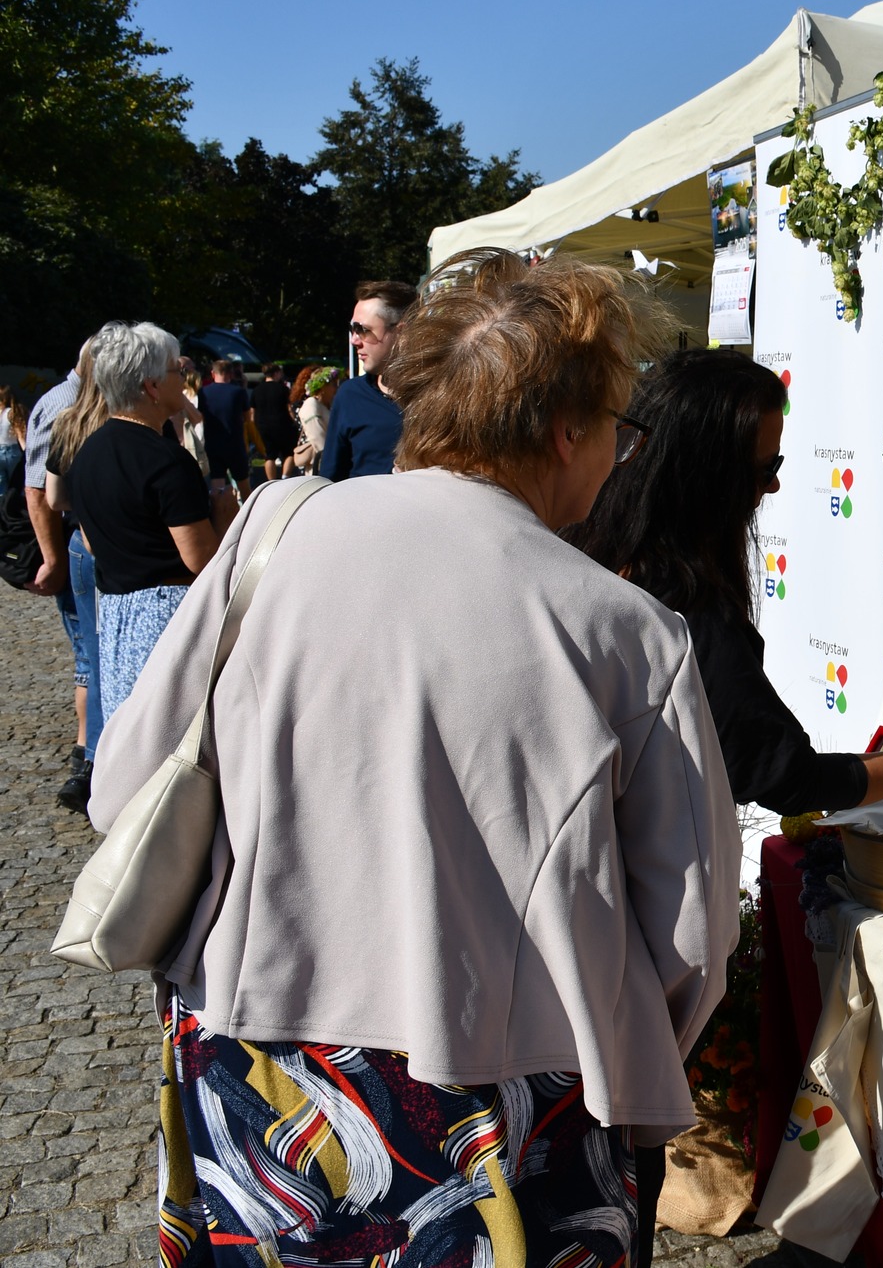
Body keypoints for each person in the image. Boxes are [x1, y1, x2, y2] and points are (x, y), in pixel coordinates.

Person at [93, 248, 738, 1266]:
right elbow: (690, 936)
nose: (619, 455)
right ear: (567, 429)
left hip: (254, 1060)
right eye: (618, 428)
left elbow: (125, 784)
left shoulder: (273, 535)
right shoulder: (627, 633)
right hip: (507, 1101)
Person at [568, 349, 883, 814]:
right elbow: (789, 777)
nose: (772, 486)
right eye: (764, 469)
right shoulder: (687, 609)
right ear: (707, 476)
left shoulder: (591, 556)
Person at [63, 323, 233, 720]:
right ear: (151, 385)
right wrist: (225, 516)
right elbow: (200, 560)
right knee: (174, 732)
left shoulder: (87, 453)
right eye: (177, 370)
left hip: (116, 617)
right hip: (167, 616)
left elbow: (91, 543)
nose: (183, 379)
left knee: (130, 728)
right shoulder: (166, 460)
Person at [24, 336, 101, 812]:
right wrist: (52, 559)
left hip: (85, 540)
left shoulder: (79, 402)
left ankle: (85, 754)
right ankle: (86, 758)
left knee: (90, 655)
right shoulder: (64, 405)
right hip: (80, 543)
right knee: (88, 655)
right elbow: (40, 492)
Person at [322, 278, 416, 479]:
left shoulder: (441, 396)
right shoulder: (350, 396)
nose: (354, 340)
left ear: (401, 333)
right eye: (352, 330)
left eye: (363, 330)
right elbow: (330, 479)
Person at [196, 358, 251, 497]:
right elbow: (247, 417)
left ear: (213, 373)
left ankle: (220, 509)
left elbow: (201, 416)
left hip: (213, 442)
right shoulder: (239, 392)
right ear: (231, 374)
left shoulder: (203, 392)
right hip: (235, 443)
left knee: (217, 485)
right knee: (243, 483)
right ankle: (249, 509)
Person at [289, 364, 340, 474]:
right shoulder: (311, 405)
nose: (336, 389)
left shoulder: (328, 406)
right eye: (333, 385)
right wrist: (332, 459)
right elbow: (318, 438)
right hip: (319, 467)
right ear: (323, 387)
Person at [249, 361, 295, 481]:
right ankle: (285, 477)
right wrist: (294, 421)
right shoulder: (283, 389)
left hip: (263, 426)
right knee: (289, 453)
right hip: (282, 424)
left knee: (269, 456)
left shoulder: (257, 390)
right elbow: (289, 408)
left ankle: (272, 482)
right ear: (276, 373)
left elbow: (252, 412)